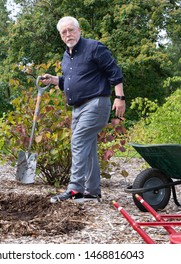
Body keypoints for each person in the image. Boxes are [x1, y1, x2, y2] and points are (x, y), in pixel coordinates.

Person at [42, 16, 125, 203]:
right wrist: (54, 80)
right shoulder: (66, 56)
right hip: (78, 108)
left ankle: (75, 189)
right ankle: (93, 191)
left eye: (71, 30)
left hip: (96, 104)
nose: (68, 34)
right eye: (64, 32)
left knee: (78, 141)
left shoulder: (94, 48)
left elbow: (114, 71)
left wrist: (120, 97)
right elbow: (71, 80)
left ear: (79, 30)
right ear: (61, 36)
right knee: (87, 147)